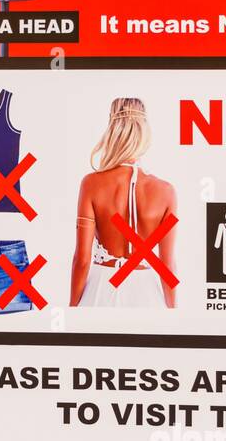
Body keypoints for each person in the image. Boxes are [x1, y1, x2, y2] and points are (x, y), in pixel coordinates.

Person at [71, 98, 176, 308]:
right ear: (145, 132)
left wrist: (73, 308)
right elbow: (167, 266)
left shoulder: (91, 184)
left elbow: (82, 259)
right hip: (147, 296)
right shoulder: (166, 191)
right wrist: (172, 313)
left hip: (101, 290)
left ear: (112, 130)